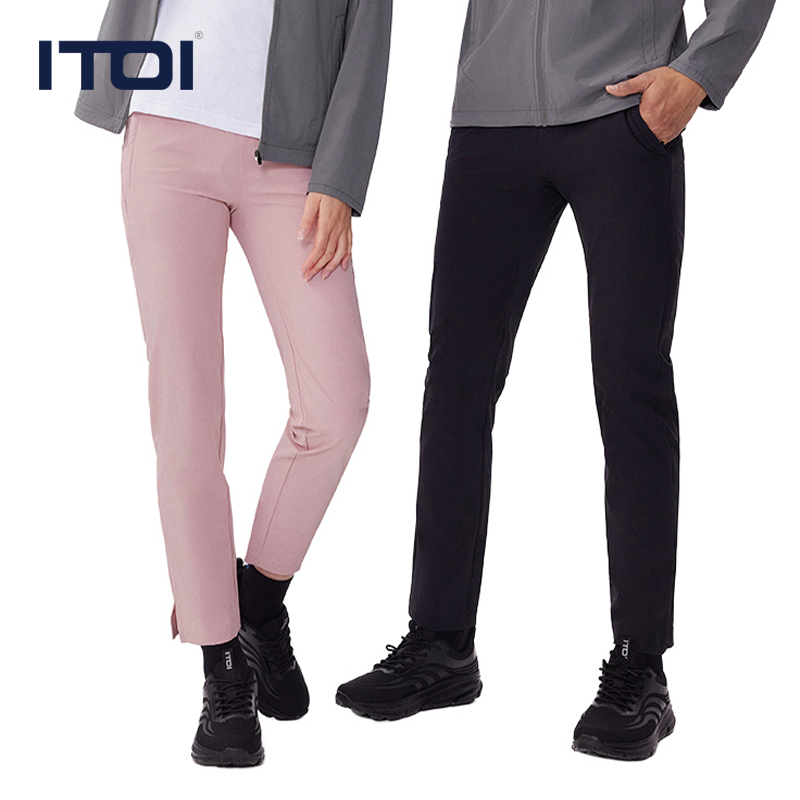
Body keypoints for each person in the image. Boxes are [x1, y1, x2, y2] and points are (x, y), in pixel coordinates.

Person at [336, 0, 774, 761]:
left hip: (624, 110)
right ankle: (440, 640)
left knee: (630, 382)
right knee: (456, 383)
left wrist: (699, 71)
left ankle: (640, 664)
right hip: (490, 118)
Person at [75, 0, 392, 768]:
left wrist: (343, 173)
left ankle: (257, 602)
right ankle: (221, 670)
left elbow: (369, 30)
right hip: (164, 125)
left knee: (337, 402)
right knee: (186, 415)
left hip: (292, 151)